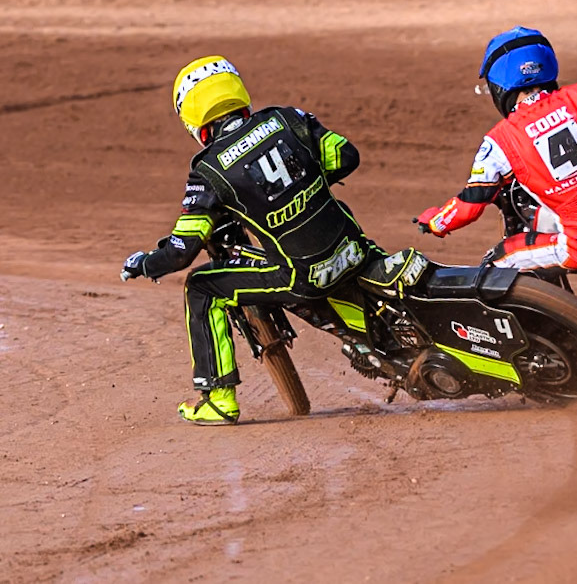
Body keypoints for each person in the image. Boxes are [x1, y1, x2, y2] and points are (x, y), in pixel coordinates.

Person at [120, 56, 388, 425]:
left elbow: (182, 253)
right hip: (353, 250)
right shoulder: (287, 118)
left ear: (194, 120)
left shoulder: (208, 170)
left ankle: (218, 398)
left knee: (201, 286)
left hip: (303, 277)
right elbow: (346, 157)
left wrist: (145, 263)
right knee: (336, 210)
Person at [416, 27, 577, 272]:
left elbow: (470, 206)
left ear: (499, 85)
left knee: (495, 263)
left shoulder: (500, 140)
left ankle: (559, 324)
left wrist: (435, 223)